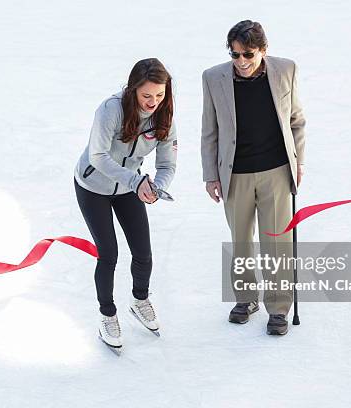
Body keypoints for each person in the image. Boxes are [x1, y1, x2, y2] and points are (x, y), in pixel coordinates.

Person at [200, 20, 306, 335]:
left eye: (248, 54)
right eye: (235, 55)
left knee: (277, 243)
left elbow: (297, 120)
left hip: (276, 171)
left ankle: (278, 308)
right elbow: (210, 130)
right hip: (235, 174)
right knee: (242, 242)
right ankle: (245, 299)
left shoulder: (286, 69)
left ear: (263, 50)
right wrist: (210, 175)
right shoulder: (213, 78)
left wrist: (298, 162)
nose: (241, 62)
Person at [74, 58, 177, 350]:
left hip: (129, 187)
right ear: (133, 91)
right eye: (146, 96)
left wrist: (157, 187)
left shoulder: (164, 117)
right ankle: (107, 315)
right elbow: (98, 157)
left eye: (159, 95)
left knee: (143, 252)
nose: (153, 102)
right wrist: (136, 182)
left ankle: (140, 300)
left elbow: (168, 164)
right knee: (109, 254)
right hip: (92, 185)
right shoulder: (111, 110)